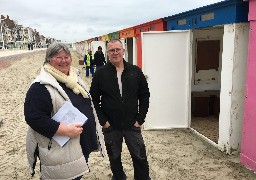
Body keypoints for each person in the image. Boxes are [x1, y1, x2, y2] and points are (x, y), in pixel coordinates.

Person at [24, 42, 105, 180]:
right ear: (49, 59)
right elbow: (34, 118)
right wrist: (65, 131)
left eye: (66, 56)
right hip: (60, 150)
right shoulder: (41, 86)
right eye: (58, 57)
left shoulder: (74, 79)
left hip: (79, 145)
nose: (64, 61)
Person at [90, 39, 151, 180]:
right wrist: (103, 121)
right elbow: (93, 99)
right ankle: (118, 177)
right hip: (111, 126)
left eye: (118, 49)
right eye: (112, 50)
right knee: (114, 157)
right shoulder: (100, 73)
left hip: (132, 125)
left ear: (123, 51)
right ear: (107, 53)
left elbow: (144, 96)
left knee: (140, 157)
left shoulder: (135, 71)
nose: (115, 52)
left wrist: (140, 119)